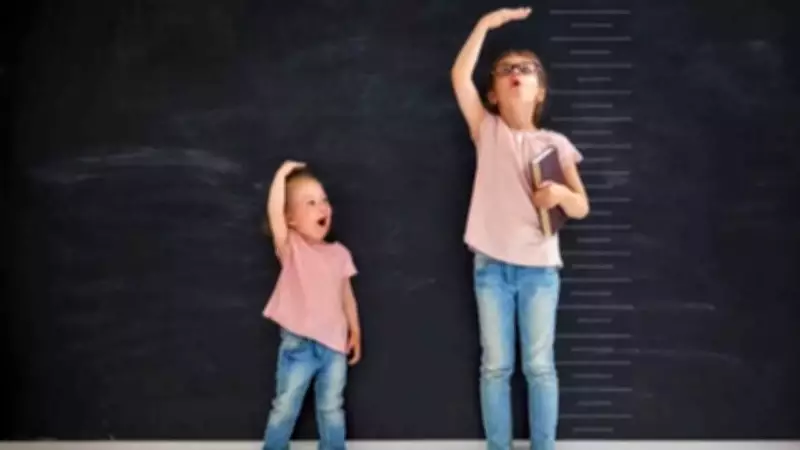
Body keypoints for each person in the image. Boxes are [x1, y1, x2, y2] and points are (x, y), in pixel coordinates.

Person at [450, 7, 591, 450]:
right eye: (506, 69)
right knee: (495, 367)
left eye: (526, 70)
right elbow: (459, 76)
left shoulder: (555, 143)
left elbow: (581, 206)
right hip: (490, 267)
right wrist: (484, 25)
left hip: (540, 271)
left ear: (540, 91)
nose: (516, 73)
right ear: (492, 94)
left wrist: (560, 194)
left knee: (539, 366)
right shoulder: (486, 130)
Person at [260, 160, 362, 450]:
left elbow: (346, 296)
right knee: (285, 406)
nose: (322, 208)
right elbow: (274, 212)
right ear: (291, 219)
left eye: (324, 201)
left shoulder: (340, 254)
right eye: (311, 203)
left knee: (332, 408)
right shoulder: (292, 248)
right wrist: (281, 175)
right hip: (299, 346)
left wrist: (355, 330)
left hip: (334, 347)